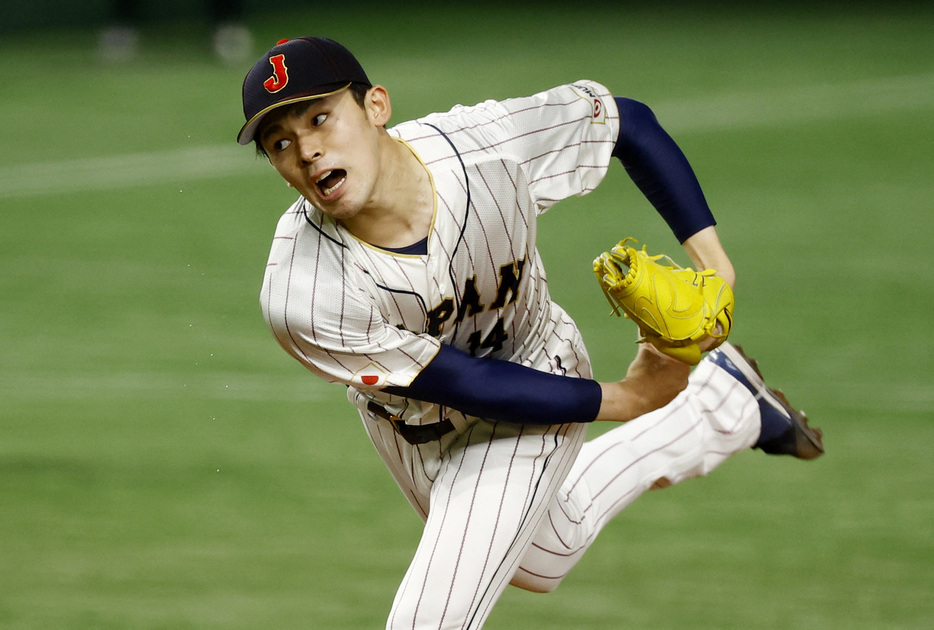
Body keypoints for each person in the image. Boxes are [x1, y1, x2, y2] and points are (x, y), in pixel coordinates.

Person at [237, 37, 824, 629]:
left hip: (539, 366)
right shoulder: (302, 292)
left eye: (320, 118)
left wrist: (715, 266)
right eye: (280, 143)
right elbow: (463, 382)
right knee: (545, 554)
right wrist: (632, 398)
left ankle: (719, 406)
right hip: (416, 425)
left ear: (377, 107)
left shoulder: (483, 148)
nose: (308, 151)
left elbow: (627, 123)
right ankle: (722, 406)